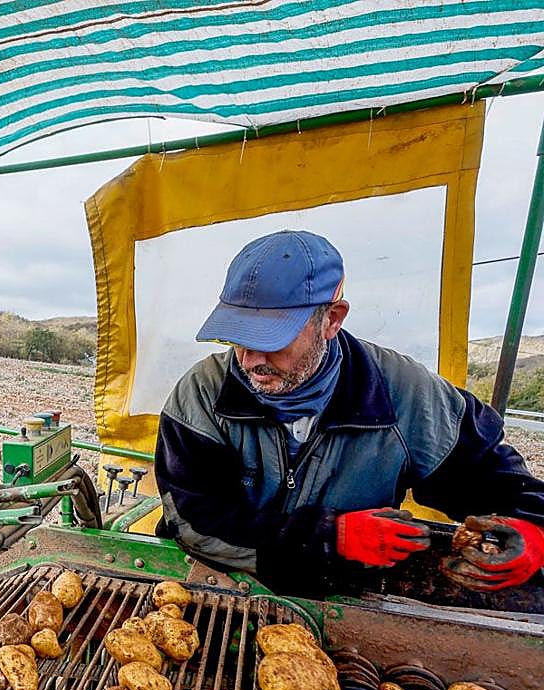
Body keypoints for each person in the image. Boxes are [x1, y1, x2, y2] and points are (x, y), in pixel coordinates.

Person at [154, 230, 544, 605]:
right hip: (223, 584)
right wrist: (328, 536)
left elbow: (493, 481)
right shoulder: (201, 395)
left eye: (271, 339)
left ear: (331, 319)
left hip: (343, 595)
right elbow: (194, 522)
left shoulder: (404, 394)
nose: (251, 359)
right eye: (238, 335)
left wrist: (533, 528)